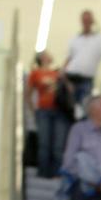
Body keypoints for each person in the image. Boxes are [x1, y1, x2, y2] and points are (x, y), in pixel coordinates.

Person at [25, 50, 70, 178]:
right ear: (41, 58)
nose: (49, 55)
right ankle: (43, 172)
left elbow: (69, 89)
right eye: (46, 54)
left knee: (59, 145)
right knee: (44, 143)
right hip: (43, 111)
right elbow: (28, 94)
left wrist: (64, 78)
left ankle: (56, 173)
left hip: (60, 112)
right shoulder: (35, 73)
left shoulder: (57, 73)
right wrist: (33, 110)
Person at [63, 9, 101, 111]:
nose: (86, 22)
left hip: (86, 80)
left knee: (85, 109)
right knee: (68, 110)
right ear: (81, 21)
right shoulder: (74, 39)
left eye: (88, 20)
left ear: (93, 21)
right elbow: (68, 59)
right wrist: (63, 76)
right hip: (69, 79)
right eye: (84, 20)